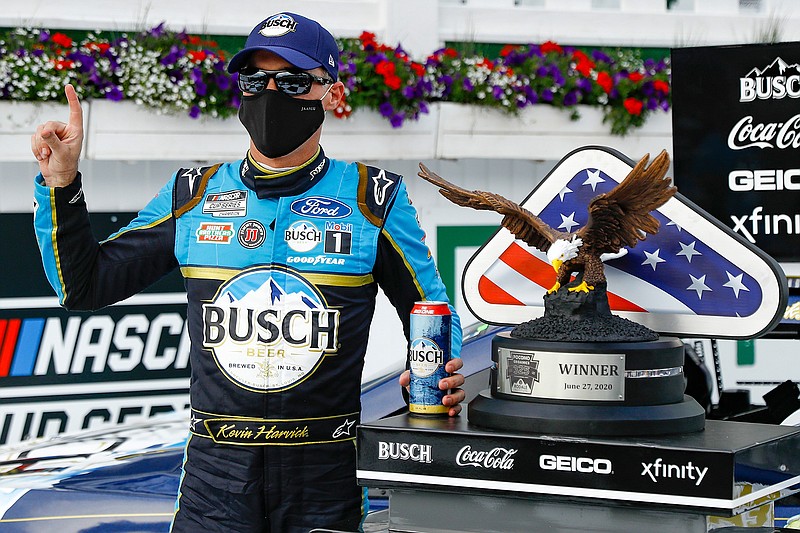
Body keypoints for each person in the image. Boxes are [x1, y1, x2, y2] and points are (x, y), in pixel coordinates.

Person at [30, 11, 464, 533]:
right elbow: (84, 285)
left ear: (331, 93)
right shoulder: (194, 194)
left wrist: (442, 373)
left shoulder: (374, 200)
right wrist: (60, 183)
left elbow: (432, 311)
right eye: (256, 80)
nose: (271, 93)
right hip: (216, 474)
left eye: (294, 80)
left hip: (324, 473)